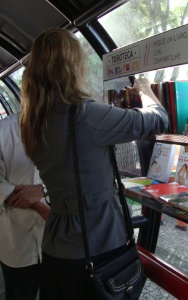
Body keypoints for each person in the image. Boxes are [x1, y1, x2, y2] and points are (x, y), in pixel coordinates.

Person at [20, 28, 168, 300]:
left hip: (56, 249)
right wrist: (146, 90)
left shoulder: (32, 121)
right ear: (72, 67)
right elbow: (158, 119)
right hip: (99, 246)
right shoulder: (85, 115)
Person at [0, 112, 50, 300]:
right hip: (17, 241)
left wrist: (43, 190)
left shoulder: (69, 128)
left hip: (57, 241)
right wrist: (39, 205)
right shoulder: (4, 131)